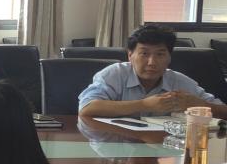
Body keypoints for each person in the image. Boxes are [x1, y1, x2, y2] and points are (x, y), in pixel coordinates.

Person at [78, 23, 227, 118]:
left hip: (162, 148)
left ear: (169, 57)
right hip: (117, 145)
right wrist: (144, 104)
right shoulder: (114, 74)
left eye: (160, 54)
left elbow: (224, 111)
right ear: (130, 55)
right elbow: (87, 107)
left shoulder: (179, 81)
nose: (152, 62)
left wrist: (200, 104)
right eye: (144, 54)